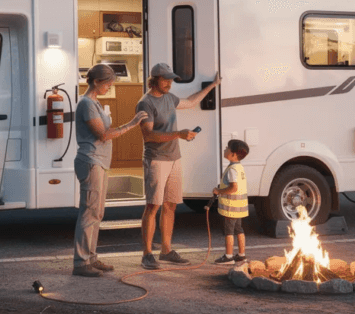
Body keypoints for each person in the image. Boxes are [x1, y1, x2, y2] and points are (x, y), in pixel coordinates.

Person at [136, 63, 221, 270]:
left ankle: (165, 251)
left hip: (175, 158)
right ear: (154, 79)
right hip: (156, 159)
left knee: (171, 205)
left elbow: (191, 102)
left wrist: (213, 86)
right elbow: (148, 135)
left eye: (171, 80)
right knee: (152, 206)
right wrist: (179, 134)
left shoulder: (169, 98)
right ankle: (147, 254)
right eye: (165, 79)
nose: (169, 83)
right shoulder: (145, 103)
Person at [72, 64, 148, 277]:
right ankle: (81, 263)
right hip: (91, 161)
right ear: (96, 82)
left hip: (99, 162)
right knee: (89, 212)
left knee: (97, 212)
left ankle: (91, 258)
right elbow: (103, 135)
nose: (109, 87)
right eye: (108, 84)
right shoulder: (87, 104)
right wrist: (131, 124)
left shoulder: (94, 102)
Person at [212, 139, 250, 265]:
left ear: (233, 154)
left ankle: (228, 257)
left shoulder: (232, 170)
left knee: (229, 231)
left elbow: (234, 188)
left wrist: (219, 191)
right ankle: (241, 255)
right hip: (240, 207)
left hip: (231, 208)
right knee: (239, 229)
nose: (225, 150)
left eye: (227, 148)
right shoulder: (239, 167)